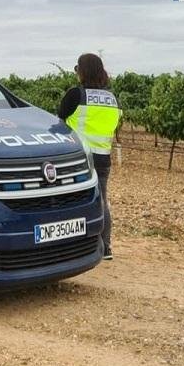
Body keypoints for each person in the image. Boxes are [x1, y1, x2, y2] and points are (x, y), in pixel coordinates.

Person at [57, 53, 121, 260]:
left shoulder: (76, 94)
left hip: (77, 159)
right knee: (101, 201)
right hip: (103, 158)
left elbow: (60, 119)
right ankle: (106, 247)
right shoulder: (113, 98)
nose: (76, 73)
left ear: (83, 71)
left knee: (69, 201)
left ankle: (70, 246)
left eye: (77, 68)